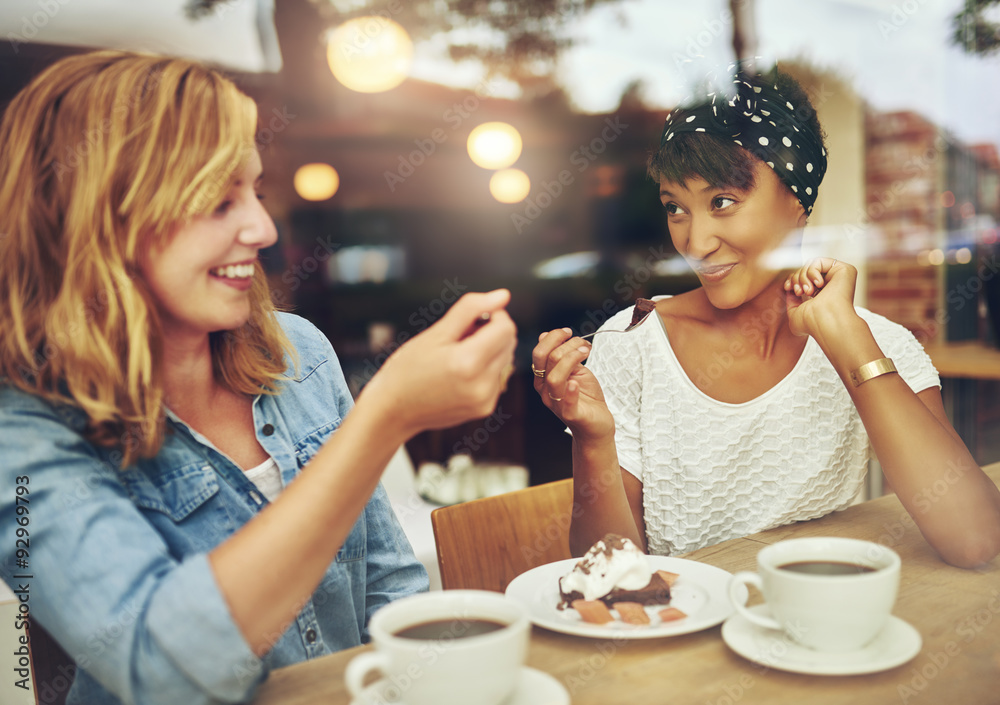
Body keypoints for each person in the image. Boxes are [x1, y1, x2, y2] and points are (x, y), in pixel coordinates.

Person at [0, 51, 517, 705]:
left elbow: (389, 584)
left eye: (257, 192)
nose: (264, 228)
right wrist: (386, 414)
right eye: (220, 200)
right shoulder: (22, 432)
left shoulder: (298, 351)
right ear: (99, 217)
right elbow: (157, 664)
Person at [531, 63, 1000, 568]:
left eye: (723, 200)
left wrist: (847, 340)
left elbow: (976, 539)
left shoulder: (879, 345)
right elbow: (609, 571)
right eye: (676, 207)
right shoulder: (633, 344)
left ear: (798, 202)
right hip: (688, 637)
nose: (696, 241)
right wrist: (593, 438)